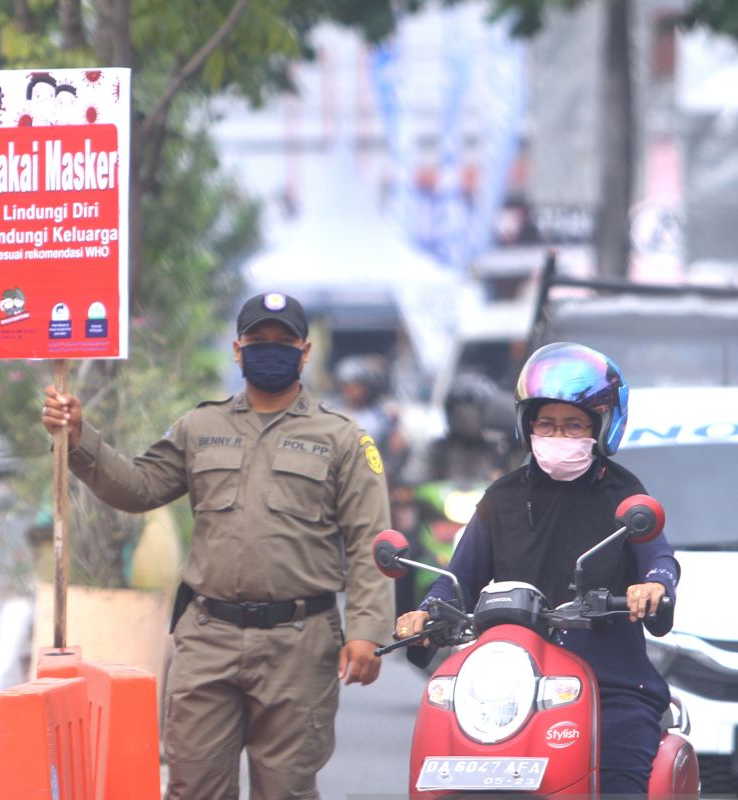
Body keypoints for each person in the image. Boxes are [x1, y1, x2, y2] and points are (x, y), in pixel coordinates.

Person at [41, 291, 394, 800]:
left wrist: (366, 631)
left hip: (299, 641)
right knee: (193, 787)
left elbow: (370, 541)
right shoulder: (200, 428)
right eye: (258, 341)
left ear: (305, 351)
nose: (269, 349)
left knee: (286, 791)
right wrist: (79, 437)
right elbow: (139, 487)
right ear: (236, 349)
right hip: (208, 637)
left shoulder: (341, 439)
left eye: (282, 341)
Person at [396, 341, 680, 796]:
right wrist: (427, 612)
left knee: (620, 784)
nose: (558, 435)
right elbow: (460, 578)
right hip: (511, 683)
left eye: (573, 425)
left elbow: (658, 558)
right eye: (546, 424)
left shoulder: (626, 496)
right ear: (527, 426)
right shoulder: (502, 498)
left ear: (601, 427)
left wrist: (652, 587)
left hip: (611, 685)